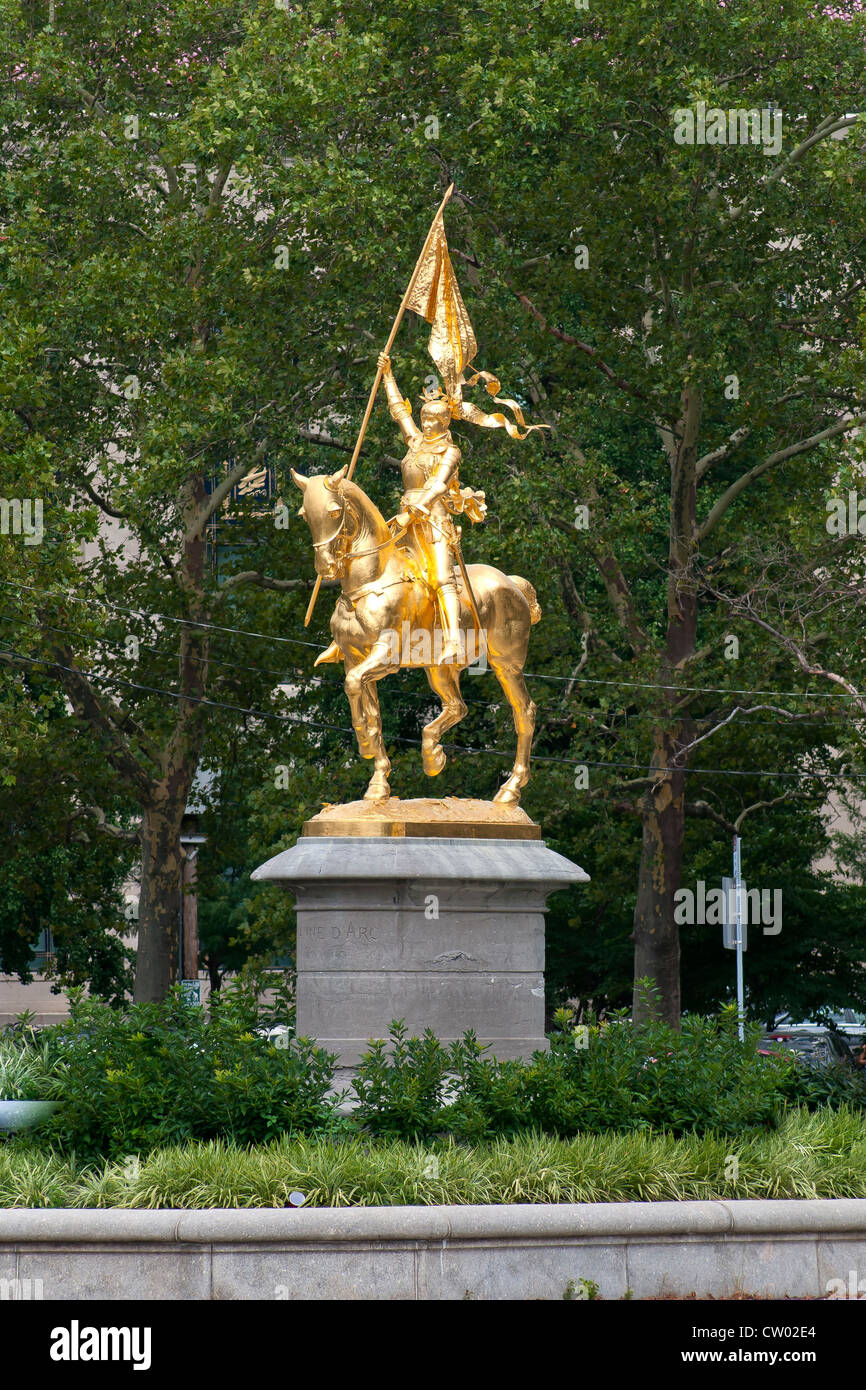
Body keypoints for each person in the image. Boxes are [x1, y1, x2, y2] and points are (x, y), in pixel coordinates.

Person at [377, 351, 486, 665]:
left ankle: (453, 640)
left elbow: (438, 485)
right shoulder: (414, 443)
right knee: (378, 568)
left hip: (434, 522)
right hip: (405, 519)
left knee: (440, 578)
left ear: (444, 422)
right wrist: (387, 376)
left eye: (432, 420)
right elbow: (399, 413)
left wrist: (413, 511)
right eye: (423, 419)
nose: (425, 425)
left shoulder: (451, 451)